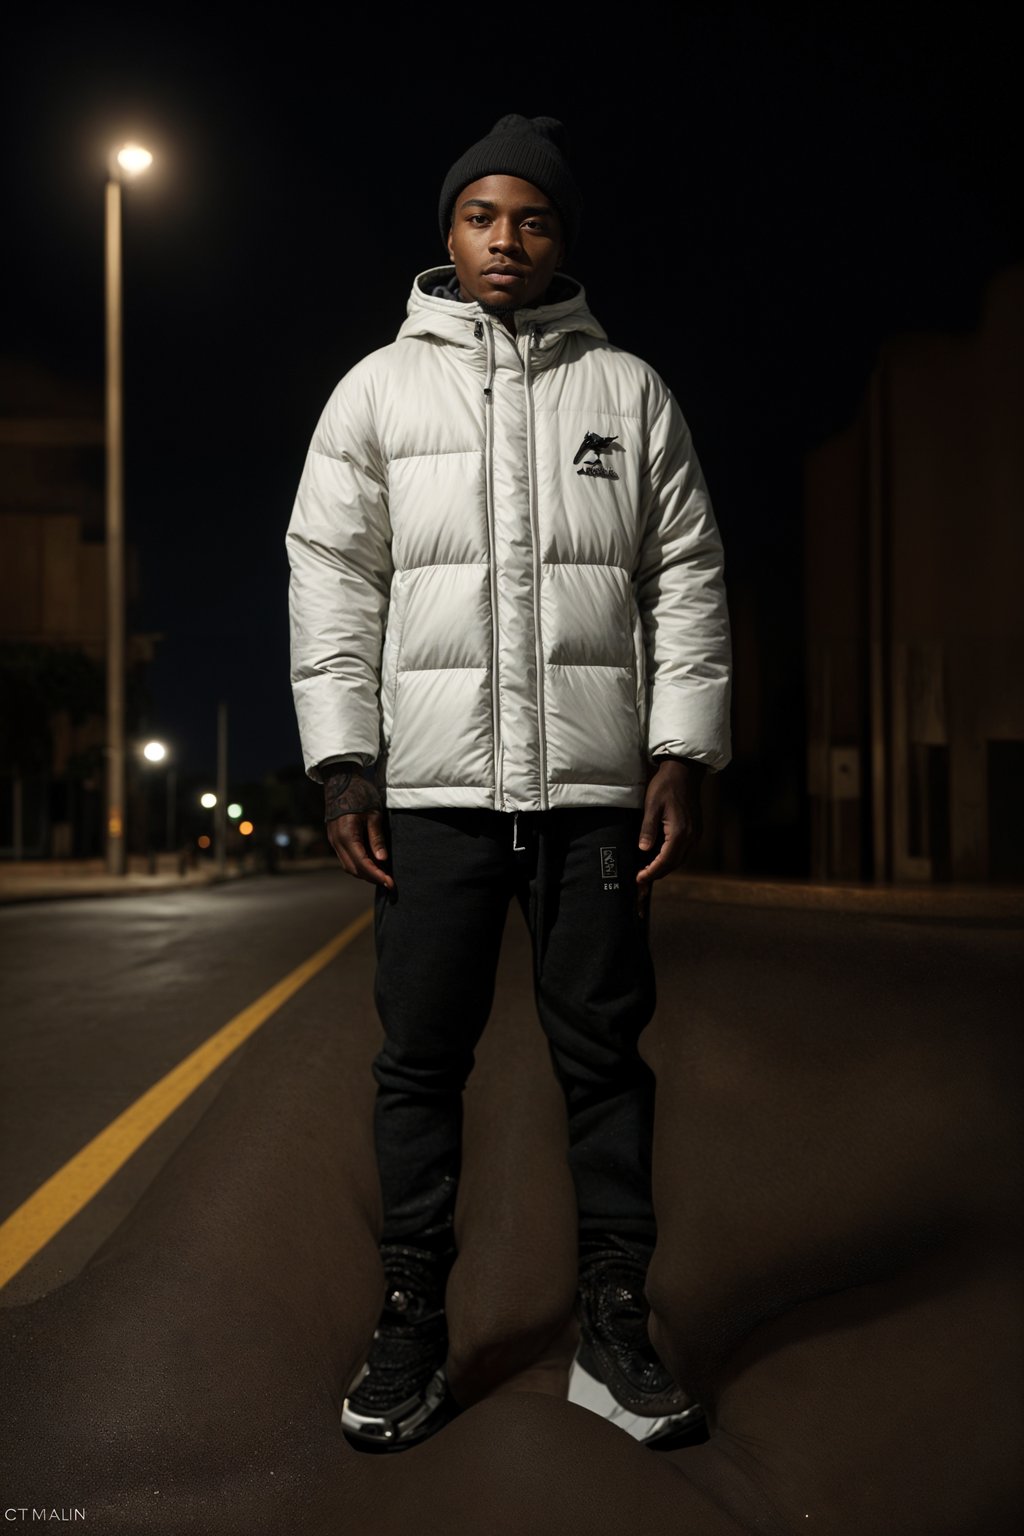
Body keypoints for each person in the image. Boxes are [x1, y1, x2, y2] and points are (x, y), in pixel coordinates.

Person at [285, 112, 732, 1451]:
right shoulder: (376, 392)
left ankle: (612, 1324)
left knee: (603, 1061)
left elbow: (688, 575)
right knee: (421, 1063)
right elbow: (332, 574)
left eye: (531, 219)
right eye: (483, 216)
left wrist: (677, 749)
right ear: (448, 232)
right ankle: (412, 1325)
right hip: (430, 799)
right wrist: (346, 760)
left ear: (561, 240)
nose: (505, 240)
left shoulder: (632, 393)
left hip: (593, 795)